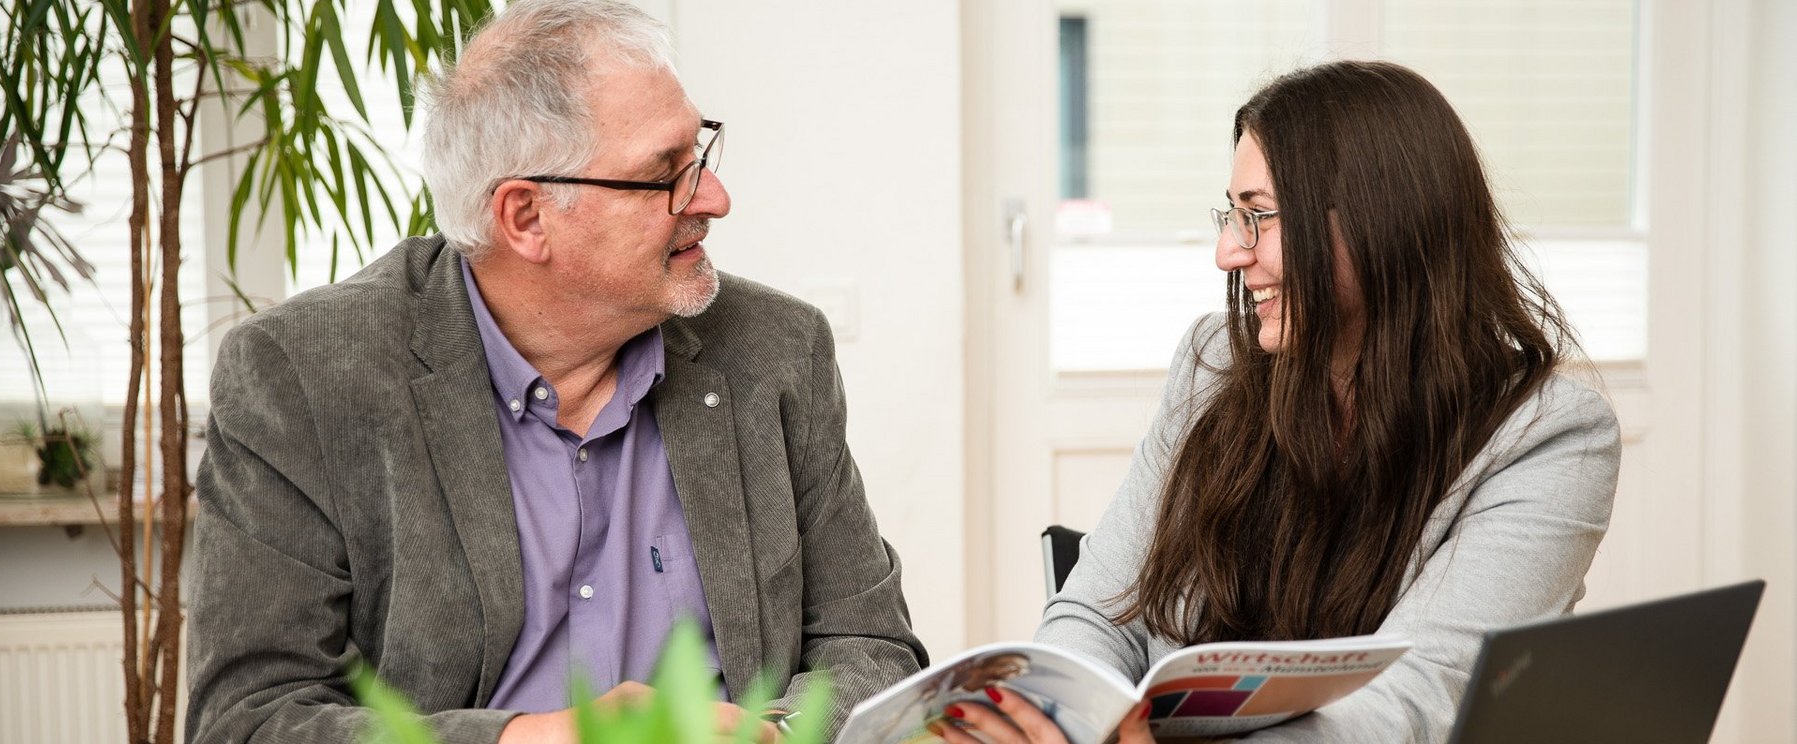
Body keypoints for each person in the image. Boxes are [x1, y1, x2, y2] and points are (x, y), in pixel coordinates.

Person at [184, 1, 926, 742]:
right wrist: (537, 738)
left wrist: (779, 733)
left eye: (698, 151)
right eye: (663, 175)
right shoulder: (302, 377)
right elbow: (248, 720)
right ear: (527, 217)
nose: (714, 197)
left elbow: (871, 644)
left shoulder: (774, 350)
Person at [934, 60, 1620, 743]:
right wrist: (1062, 722)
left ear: (1379, 220)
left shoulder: (1550, 436)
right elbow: (1098, 610)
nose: (1228, 252)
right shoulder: (1215, 363)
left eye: (1257, 216)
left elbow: (1410, 707)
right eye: (1231, 216)